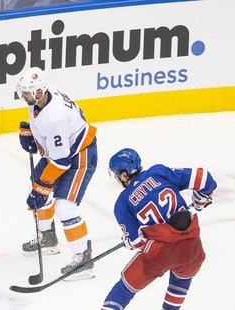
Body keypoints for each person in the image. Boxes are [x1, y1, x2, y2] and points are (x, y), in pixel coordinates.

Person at [102, 148, 217, 310]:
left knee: (124, 290)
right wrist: (200, 199)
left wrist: (128, 242)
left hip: (160, 252)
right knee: (180, 282)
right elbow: (204, 178)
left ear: (124, 174)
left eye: (116, 174)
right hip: (192, 245)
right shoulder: (158, 172)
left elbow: (137, 241)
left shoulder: (122, 202)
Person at [16, 66, 98, 280]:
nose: (23, 96)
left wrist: (44, 189)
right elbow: (46, 130)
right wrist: (32, 135)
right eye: (23, 91)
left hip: (80, 154)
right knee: (36, 187)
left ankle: (83, 259)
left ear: (39, 92)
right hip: (63, 151)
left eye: (27, 93)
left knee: (64, 206)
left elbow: (60, 162)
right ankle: (48, 237)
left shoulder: (54, 118)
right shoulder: (44, 93)